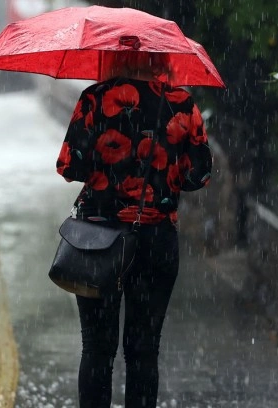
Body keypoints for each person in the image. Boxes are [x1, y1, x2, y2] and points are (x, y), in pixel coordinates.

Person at [55, 51, 212, 407]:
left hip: (98, 239)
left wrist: (106, 168)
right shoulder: (181, 103)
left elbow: (68, 166)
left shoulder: (95, 98)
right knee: (143, 351)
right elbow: (198, 175)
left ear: (113, 56)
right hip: (155, 239)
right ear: (161, 58)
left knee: (96, 348)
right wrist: (158, 177)